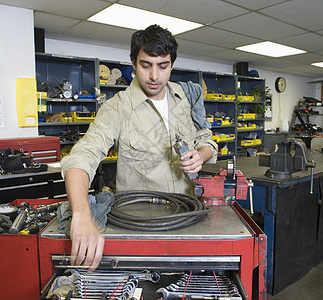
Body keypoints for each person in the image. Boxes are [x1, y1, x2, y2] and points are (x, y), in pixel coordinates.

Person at [60, 24, 218, 271]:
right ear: (133, 64)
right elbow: (82, 156)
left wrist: (201, 154)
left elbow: (206, 139)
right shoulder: (117, 108)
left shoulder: (184, 97)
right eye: (146, 65)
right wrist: (81, 216)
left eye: (162, 66)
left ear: (172, 65)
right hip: (138, 225)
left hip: (186, 215)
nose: (154, 76)